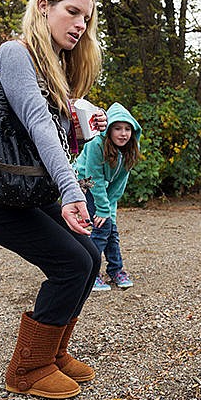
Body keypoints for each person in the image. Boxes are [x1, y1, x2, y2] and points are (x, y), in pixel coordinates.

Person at [0, 0, 107, 399]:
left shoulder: (55, 67)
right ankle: (26, 369)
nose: (80, 25)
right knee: (70, 264)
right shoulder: (15, 52)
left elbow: (47, 135)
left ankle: (53, 353)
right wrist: (71, 192)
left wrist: (81, 125)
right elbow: (38, 125)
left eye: (87, 18)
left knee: (91, 257)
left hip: (24, 191)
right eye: (72, 12)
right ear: (44, 7)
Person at [74, 102, 142, 291]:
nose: (123, 133)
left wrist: (109, 208)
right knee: (101, 227)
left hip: (100, 186)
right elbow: (93, 176)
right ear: (109, 129)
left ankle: (115, 269)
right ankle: (91, 273)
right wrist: (103, 209)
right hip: (83, 181)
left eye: (128, 129)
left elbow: (119, 183)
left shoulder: (130, 149)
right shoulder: (97, 144)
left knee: (110, 227)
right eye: (118, 128)